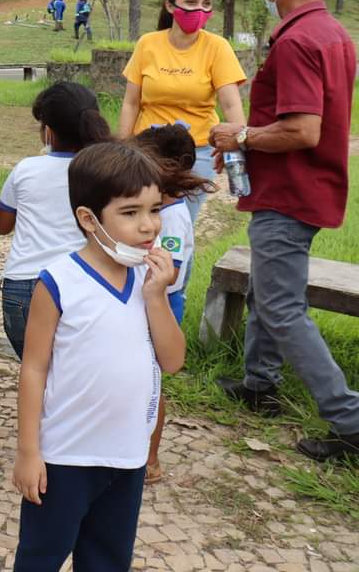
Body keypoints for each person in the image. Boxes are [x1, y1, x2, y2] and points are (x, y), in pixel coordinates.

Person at [210, 0, 359, 463]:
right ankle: (260, 383)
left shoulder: (297, 41)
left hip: (291, 192)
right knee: (266, 289)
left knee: (281, 305)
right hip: (307, 187)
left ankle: (350, 420)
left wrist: (240, 136)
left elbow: (302, 130)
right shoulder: (333, 33)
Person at [12, 141, 186, 571]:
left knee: (107, 560)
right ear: (89, 219)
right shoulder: (58, 283)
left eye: (155, 209)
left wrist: (157, 297)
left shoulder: (150, 279)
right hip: (65, 457)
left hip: (126, 456)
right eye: (130, 213)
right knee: (40, 557)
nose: (149, 226)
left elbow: (173, 361)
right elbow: (33, 370)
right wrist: (28, 452)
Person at [0, 82, 111, 359]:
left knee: (36, 374)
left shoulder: (26, 169)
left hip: (22, 287)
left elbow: (2, 226)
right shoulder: (104, 171)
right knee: (72, 376)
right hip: (82, 282)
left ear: (47, 131)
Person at [120, 0, 247, 223]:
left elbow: (231, 103)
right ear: (170, 5)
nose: (199, 9)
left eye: (206, 4)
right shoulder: (148, 44)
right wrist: (122, 147)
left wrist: (238, 144)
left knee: (179, 224)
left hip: (196, 152)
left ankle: (179, 265)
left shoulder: (217, 47)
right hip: (147, 150)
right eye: (191, 2)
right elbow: (131, 102)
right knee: (142, 222)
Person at [135, 123, 214, 485]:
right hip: (146, 306)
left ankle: (150, 460)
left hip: (161, 309)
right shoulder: (158, 211)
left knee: (152, 385)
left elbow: (172, 276)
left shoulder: (173, 219)